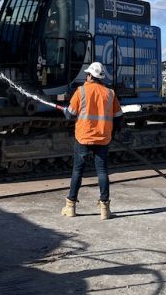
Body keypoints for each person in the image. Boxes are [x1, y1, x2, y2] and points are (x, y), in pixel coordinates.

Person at [60, 61, 123, 220]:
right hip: (102, 138)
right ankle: (105, 210)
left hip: (83, 138)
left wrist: (66, 111)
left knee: (77, 171)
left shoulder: (80, 91)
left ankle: (70, 207)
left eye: (87, 74)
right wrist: (113, 133)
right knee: (102, 171)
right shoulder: (110, 93)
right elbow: (119, 117)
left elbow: (71, 114)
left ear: (89, 76)